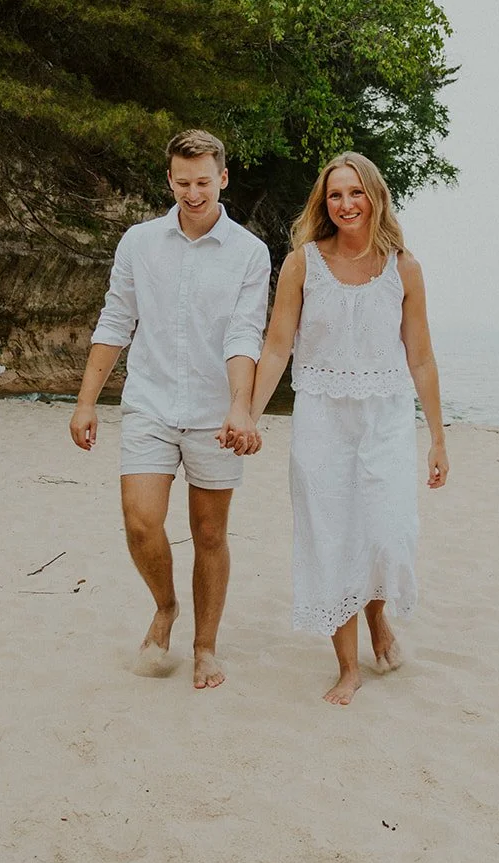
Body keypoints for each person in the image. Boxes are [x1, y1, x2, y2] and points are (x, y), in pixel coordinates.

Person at [228, 151, 448, 706]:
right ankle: (347, 667)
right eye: (335, 195)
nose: (345, 204)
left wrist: (439, 439)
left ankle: (379, 622)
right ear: (323, 204)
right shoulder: (304, 263)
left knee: (384, 533)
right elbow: (277, 345)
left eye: (355, 193)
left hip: (386, 420)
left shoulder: (405, 268)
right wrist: (248, 414)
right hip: (322, 419)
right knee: (331, 538)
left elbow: (420, 357)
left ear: (374, 197)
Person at [70, 129, 271, 690]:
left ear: (222, 179)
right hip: (150, 403)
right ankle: (165, 606)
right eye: (183, 182)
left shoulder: (250, 254)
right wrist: (86, 401)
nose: (193, 193)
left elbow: (244, 335)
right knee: (140, 521)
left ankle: (205, 646)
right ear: (169, 180)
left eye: (203, 182)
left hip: (216, 413)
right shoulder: (138, 242)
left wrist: (241, 407)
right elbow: (116, 321)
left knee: (209, 534)